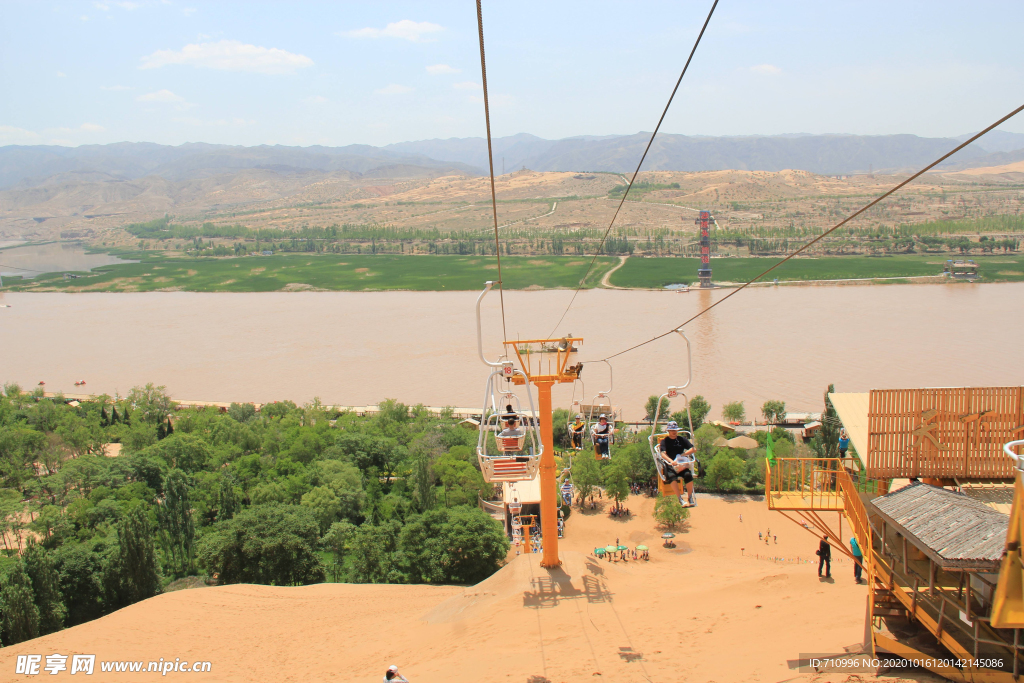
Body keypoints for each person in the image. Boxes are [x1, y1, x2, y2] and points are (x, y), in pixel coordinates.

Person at [657, 421, 697, 507]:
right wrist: (671, 461)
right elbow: (663, 453)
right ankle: (680, 498)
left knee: (688, 475)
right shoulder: (665, 441)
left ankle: (690, 497)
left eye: (675, 430)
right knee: (672, 477)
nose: (674, 432)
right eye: (671, 430)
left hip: (681, 464)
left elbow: (693, 449)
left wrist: (683, 455)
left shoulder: (682, 440)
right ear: (668, 431)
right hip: (671, 464)